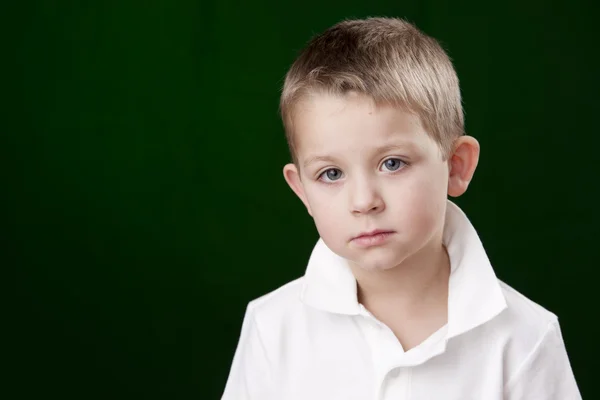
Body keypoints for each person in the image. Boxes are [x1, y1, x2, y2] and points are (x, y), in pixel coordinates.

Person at [221, 17, 581, 399]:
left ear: (456, 166)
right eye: (331, 174)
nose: (363, 202)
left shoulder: (525, 338)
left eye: (393, 163)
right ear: (303, 191)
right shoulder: (272, 327)